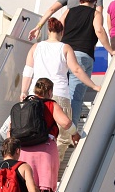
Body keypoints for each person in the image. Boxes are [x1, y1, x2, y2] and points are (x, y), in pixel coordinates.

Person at [21, 18, 99, 160]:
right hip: (59, 94)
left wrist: (23, 91)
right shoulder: (65, 48)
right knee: (62, 137)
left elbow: (28, 71)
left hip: (35, 95)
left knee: (36, 131)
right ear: (62, 32)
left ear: (48, 31)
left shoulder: (36, 47)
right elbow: (76, 70)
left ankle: (38, 162)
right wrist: (93, 86)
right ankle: (54, 165)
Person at [17, 78, 78, 192]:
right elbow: (65, 123)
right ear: (50, 91)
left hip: (24, 152)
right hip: (45, 151)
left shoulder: (24, 105)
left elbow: (11, 129)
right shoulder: (51, 104)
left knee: (24, 191)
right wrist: (75, 133)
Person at [60, 0, 115, 124]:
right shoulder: (95, 14)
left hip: (64, 54)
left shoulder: (68, 11)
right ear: (95, 1)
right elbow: (99, 30)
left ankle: (58, 125)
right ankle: (71, 129)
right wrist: (110, 50)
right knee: (75, 96)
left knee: (60, 93)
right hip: (82, 55)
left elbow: (59, 27)